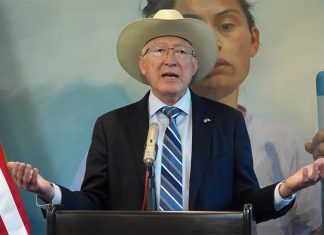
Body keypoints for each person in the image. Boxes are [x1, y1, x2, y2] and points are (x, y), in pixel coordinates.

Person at [7, 9, 324, 225]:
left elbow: (245, 203)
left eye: (182, 51)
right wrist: (49, 191)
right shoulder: (112, 126)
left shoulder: (227, 123)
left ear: (194, 65)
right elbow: (94, 202)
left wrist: (287, 187)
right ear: (142, 65)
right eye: (159, 50)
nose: (171, 59)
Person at [142, 0, 322, 234]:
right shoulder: (122, 132)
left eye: (226, 25)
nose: (213, 43)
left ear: (253, 39)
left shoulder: (285, 145)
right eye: (192, 31)